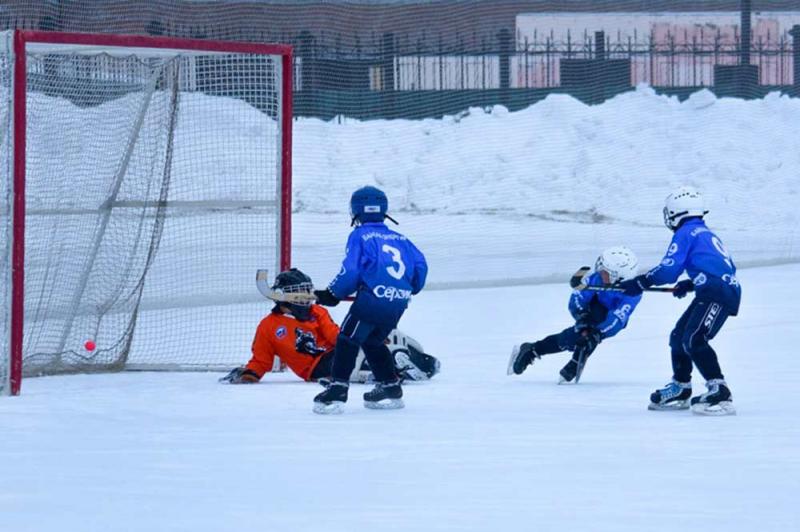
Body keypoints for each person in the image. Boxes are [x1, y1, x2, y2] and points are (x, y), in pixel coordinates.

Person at [615, 186, 740, 416]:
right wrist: (691, 283)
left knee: (694, 338)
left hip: (718, 292)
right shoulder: (704, 232)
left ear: (675, 212)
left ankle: (720, 390)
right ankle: (681, 387)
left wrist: (641, 282)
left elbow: (668, 270)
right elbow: (725, 266)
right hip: (713, 289)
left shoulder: (685, 233)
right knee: (678, 337)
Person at [311, 186, 428, 414]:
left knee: (347, 339)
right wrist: (406, 289)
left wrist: (333, 293)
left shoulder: (360, 235)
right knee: (373, 341)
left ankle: (337, 389)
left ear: (355, 210)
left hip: (372, 300)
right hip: (397, 302)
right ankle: (390, 387)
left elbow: (352, 270)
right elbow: (421, 267)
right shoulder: (401, 238)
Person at [219, 268, 439, 386]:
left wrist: (360, 338)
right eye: (301, 292)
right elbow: (261, 359)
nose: (307, 297)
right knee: (360, 354)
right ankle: (395, 366)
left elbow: (335, 337)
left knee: (383, 332)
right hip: (316, 368)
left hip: (336, 354)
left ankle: (418, 360)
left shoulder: (317, 312)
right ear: (285, 296)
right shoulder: (268, 326)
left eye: (308, 291)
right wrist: (251, 374)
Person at [508, 246, 642, 383]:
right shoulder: (597, 279)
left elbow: (617, 320)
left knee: (588, 337)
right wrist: (582, 317)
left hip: (609, 320)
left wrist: (597, 333)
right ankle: (560, 357)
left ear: (619, 277)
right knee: (582, 333)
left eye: (606, 272)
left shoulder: (633, 293)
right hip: (592, 310)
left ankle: (534, 349)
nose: (600, 272)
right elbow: (576, 300)